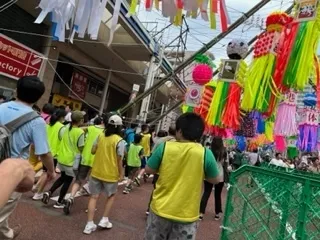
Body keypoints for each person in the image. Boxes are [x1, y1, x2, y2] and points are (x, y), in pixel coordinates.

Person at [144, 113, 220, 239]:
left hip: (160, 209)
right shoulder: (205, 153)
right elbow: (215, 179)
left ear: (179, 131)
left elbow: (148, 169)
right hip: (187, 215)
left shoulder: (165, 147)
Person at [0, 75, 55, 239]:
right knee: (3, 210)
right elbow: (43, 152)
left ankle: (6, 232)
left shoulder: (1, 107)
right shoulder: (36, 121)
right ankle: (6, 234)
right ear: (38, 98)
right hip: (13, 173)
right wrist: (51, 171)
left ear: (16, 90)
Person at [83, 114, 126, 235]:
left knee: (93, 197)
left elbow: (92, 151)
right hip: (111, 174)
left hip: (96, 171)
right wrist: (121, 174)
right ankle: (104, 219)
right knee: (110, 196)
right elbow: (119, 160)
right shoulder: (119, 141)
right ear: (119, 127)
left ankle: (89, 224)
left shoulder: (100, 136)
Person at [42, 111, 85, 208]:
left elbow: (61, 138)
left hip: (61, 158)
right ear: (80, 120)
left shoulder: (65, 128)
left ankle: (49, 192)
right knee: (68, 181)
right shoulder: (80, 132)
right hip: (71, 160)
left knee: (62, 178)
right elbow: (81, 146)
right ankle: (59, 201)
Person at [63, 117, 104, 214]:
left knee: (78, 179)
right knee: (94, 183)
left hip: (85, 157)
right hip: (96, 159)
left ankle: (71, 197)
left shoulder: (91, 128)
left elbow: (80, 129)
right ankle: (90, 206)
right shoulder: (105, 133)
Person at [32, 109, 67, 200]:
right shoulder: (62, 128)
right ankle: (38, 192)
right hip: (53, 155)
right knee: (48, 174)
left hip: (44, 151)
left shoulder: (48, 125)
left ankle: (37, 187)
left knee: (45, 172)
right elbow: (64, 141)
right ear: (62, 117)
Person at [146, 126, 176, 215]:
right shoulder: (176, 143)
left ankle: (149, 208)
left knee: (156, 189)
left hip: (158, 170)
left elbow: (153, 153)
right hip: (169, 170)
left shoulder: (160, 140)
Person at [199, 137, 226, 221]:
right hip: (220, 174)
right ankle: (217, 214)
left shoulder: (209, 150)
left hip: (209, 172)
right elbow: (225, 162)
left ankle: (201, 213)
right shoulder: (224, 151)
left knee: (206, 193)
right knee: (218, 195)